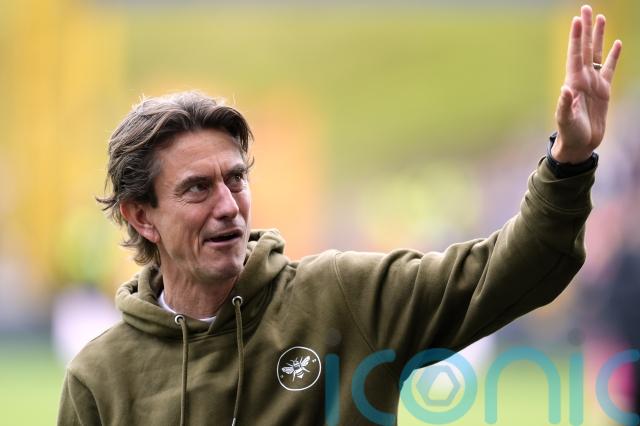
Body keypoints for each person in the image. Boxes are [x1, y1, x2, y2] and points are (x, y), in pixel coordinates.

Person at [57, 5, 622, 425]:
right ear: (141, 217)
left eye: (236, 179)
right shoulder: (99, 377)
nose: (228, 206)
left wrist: (569, 162)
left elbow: (516, 269)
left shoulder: (342, 297)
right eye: (197, 189)